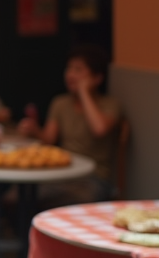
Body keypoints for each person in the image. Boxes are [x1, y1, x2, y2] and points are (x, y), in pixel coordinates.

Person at [18, 44, 122, 198]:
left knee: (72, 198)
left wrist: (84, 92)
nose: (70, 75)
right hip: (64, 172)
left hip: (95, 177)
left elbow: (99, 129)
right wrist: (35, 130)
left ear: (97, 78)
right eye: (69, 69)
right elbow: (49, 139)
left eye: (78, 70)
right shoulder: (60, 103)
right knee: (21, 196)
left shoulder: (110, 104)